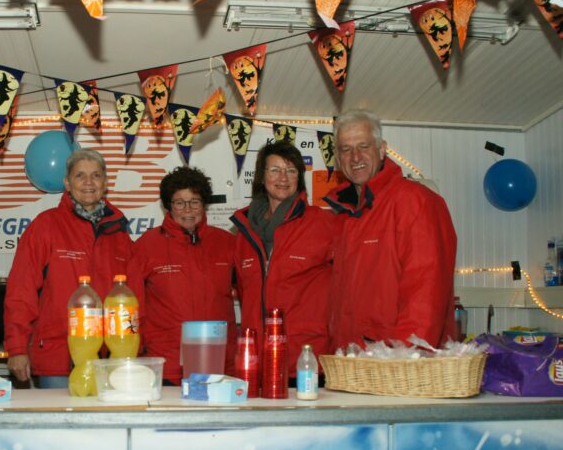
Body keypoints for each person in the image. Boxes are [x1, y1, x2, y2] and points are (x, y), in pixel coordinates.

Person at [323, 109, 457, 352]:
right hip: (354, 359)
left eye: (363, 146)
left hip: (395, 364)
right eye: (345, 149)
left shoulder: (414, 201)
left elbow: (426, 293)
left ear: (382, 149)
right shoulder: (345, 215)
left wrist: (404, 358)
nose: (355, 157)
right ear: (338, 158)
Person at [3, 148, 132, 388]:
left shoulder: (119, 233)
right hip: (58, 359)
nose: (88, 182)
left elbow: (132, 298)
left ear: (105, 183)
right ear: (67, 182)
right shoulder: (46, 226)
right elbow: (21, 291)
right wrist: (17, 347)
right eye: (80, 175)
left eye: (95, 175)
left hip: (107, 360)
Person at [231, 141, 338, 377]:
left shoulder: (324, 224)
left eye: (291, 171)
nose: (283, 177)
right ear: (261, 177)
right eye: (275, 170)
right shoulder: (244, 232)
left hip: (306, 362)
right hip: (255, 364)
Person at [130, 167, 236, 384]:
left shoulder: (228, 244)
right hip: (167, 367)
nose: (188, 209)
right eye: (179, 202)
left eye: (194, 201)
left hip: (219, 364)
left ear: (204, 204)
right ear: (168, 206)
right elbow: (132, 306)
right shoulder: (146, 246)